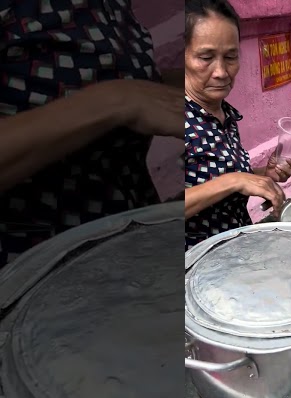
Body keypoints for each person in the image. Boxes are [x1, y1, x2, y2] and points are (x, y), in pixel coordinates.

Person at [0, 0, 183, 268]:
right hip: (29, 278)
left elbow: (80, 80)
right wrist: (115, 101)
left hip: (125, 259)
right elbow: (117, 97)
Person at [184, 0, 291, 249]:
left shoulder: (223, 114)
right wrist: (235, 180)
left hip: (234, 253)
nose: (221, 72)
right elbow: (150, 215)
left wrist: (262, 175)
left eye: (230, 57)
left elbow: (219, 174)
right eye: (205, 57)